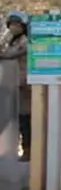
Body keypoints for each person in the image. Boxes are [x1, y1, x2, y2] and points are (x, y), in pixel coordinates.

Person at [0, 11, 31, 161]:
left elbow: (8, 54)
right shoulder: (12, 40)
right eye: (11, 24)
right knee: (19, 119)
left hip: (25, 85)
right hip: (15, 85)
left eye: (17, 25)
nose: (13, 27)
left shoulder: (25, 41)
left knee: (25, 118)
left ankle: (28, 150)